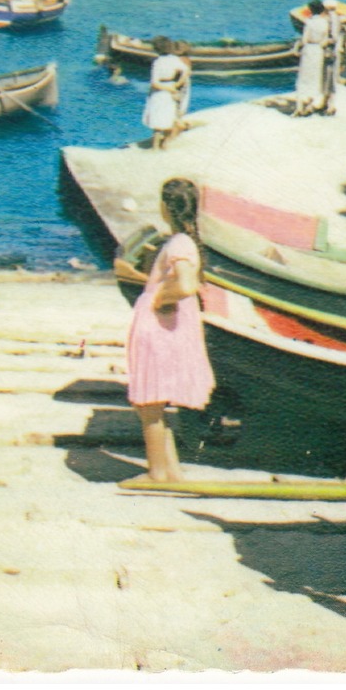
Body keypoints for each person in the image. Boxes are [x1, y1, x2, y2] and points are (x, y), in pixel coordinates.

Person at [125, 178, 215, 484]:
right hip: (168, 326)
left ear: (166, 207)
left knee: (149, 404)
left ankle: (157, 472)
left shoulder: (179, 243)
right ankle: (170, 471)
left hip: (159, 328)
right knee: (155, 403)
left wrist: (161, 298)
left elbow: (187, 284)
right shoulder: (187, 240)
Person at [143, 36, 190, 148]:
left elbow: (154, 83)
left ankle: (155, 147)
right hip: (171, 87)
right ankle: (166, 142)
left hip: (160, 91)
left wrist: (167, 88)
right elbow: (186, 71)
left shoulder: (157, 62)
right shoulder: (175, 60)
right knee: (168, 116)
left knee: (157, 119)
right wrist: (177, 85)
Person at [292, 0, 332, 116]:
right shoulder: (325, 22)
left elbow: (305, 39)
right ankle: (310, 105)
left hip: (309, 49)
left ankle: (299, 108)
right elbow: (325, 40)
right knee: (315, 77)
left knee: (304, 78)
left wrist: (298, 48)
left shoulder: (309, 22)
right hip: (318, 50)